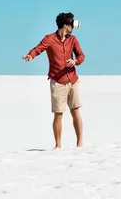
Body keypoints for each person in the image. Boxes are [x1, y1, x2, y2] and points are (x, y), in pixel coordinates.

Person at [23, 12, 85, 149]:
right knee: (58, 114)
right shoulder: (49, 39)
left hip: (73, 80)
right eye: (71, 24)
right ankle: (58, 145)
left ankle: (80, 144)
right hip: (58, 82)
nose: (73, 27)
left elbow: (81, 56)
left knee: (75, 111)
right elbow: (38, 49)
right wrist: (30, 56)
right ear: (65, 25)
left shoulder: (73, 39)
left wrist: (75, 61)